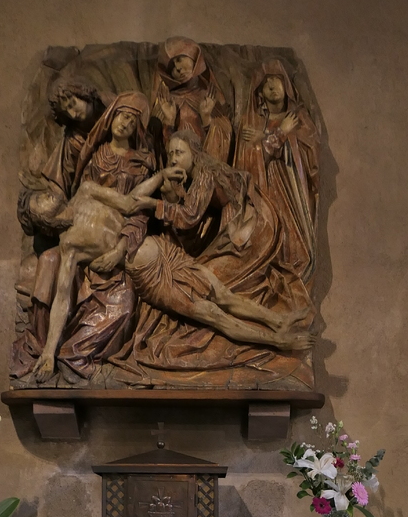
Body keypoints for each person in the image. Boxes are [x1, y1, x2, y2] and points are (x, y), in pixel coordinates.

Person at [111, 130, 314, 387]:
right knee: (217, 306)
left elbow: (189, 216)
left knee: (221, 293)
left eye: (179, 152)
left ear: (194, 153)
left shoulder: (205, 173)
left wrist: (155, 205)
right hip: (171, 266)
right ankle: (278, 326)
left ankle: (278, 329)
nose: (173, 159)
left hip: (246, 231)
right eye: (170, 153)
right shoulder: (198, 176)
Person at [31, 92, 156, 384]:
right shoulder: (96, 156)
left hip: (118, 244)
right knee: (56, 268)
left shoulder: (142, 164)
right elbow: (82, 199)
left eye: (132, 120)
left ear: (137, 128)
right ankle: (50, 352)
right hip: (87, 240)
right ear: (111, 117)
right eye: (122, 115)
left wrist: (119, 250)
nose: (125, 123)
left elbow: (138, 213)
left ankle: (72, 356)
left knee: (124, 306)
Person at [11, 81, 105, 379]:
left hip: (108, 223)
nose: (73, 113)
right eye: (67, 110)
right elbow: (60, 189)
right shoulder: (72, 141)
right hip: (81, 223)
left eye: (74, 103)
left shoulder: (114, 122)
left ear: (86, 94)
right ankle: (42, 345)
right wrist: (48, 211)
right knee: (49, 260)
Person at [234, 59, 319, 284]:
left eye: (276, 80)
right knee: (267, 237)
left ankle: (290, 281)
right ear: (259, 92)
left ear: (286, 85)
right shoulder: (252, 123)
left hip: (291, 191)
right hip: (264, 191)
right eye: (266, 83)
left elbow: (309, 158)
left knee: (293, 243)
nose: (272, 85)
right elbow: (246, 164)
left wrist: (270, 137)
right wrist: (277, 135)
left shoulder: (299, 120)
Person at [151, 37, 232, 163]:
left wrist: (206, 119)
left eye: (179, 59)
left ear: (194, 57)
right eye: (172, 67)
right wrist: (169, 122)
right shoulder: (166, 101)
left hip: (204, 165)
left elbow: (225, 137)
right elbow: (155, 145)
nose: (178, 68)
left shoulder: (208, 98)